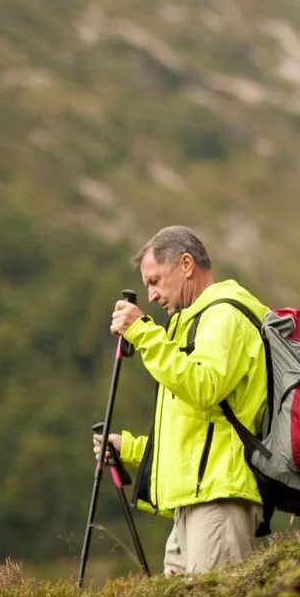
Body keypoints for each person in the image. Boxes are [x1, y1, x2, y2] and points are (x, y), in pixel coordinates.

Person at [93, 225, 268, 575]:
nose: (152, 295)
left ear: (186, 265)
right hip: (196, 502)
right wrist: (127, 448)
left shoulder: (224, 316)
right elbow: (196, 434)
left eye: (155, 281)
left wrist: (143, 333)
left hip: (218, 499)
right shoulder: (195, 322)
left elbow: (204, 388)